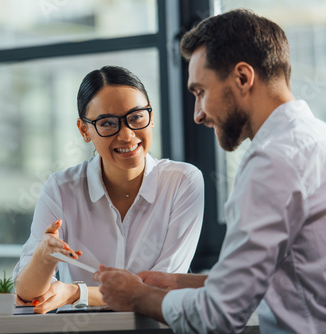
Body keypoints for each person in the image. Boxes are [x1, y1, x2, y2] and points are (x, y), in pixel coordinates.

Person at [93, 9, 326, 334]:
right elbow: (288, 278)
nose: (197, 115)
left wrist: (137, 296)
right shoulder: (316, 139)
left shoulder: (272, 162)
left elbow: (218, 315)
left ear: (243, 78)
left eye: (200, 92)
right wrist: (176, 282)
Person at [13, 66, 204, 313]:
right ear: (84, 130)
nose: (126, 135)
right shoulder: (61, 188)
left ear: (151, 115)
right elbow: (27, 294)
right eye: (107, 123)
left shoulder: (183, 181)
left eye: (136, 117)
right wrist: (44, 257)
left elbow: (161, 287)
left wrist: (76, 293)